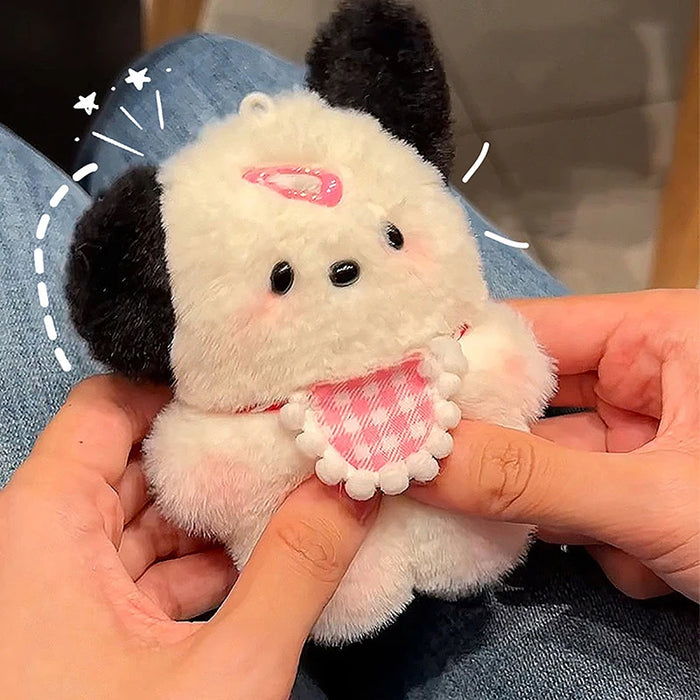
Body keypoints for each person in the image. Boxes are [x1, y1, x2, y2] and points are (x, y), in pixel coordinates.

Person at [0, 34, 697, 700]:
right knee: (203, 70)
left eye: (391, 236)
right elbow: (200, 475)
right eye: (283, 276)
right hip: (379, 572)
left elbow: (514, 363)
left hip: (467, 541)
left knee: (194, 69)